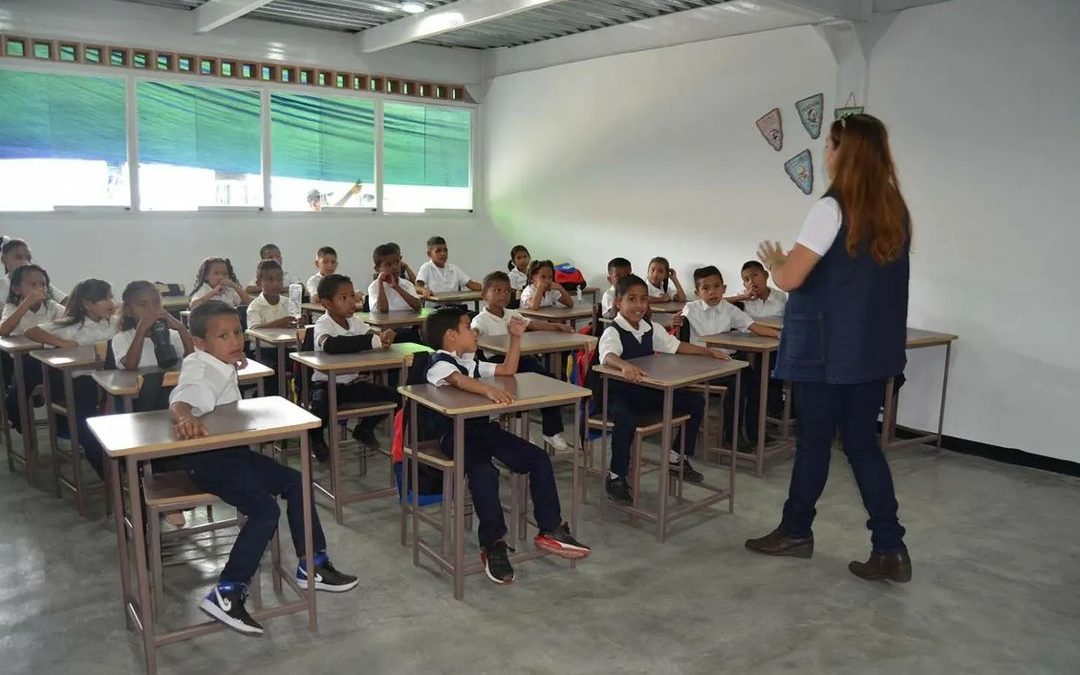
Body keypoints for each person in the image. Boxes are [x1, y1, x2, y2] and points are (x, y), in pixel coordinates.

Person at [744, 114, 912, 583]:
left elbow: (791, 278)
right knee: (862, 446)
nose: (826, 154)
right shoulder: (894, 210)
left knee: (814, 442)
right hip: (872, 354)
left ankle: (796, 531)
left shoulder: (831, 209)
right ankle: (890, 547)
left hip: (825, 352)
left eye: (830, 145)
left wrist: (775, 259)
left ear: (844, 151)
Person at [170, 301, 358, 636]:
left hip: (232, 454)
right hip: (207, 461)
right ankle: (227, 591)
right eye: (223, 336)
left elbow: (221, 379)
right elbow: (184, 397)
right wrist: (185, 416)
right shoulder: (199, 368)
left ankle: (312, 564)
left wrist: (233, 362)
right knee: (265, 510)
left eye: (238, 332)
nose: (235, 340)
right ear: (199, 343)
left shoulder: (217, 360)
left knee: (296, 481)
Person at [424, 306, 590, 584]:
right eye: (468, 327)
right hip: (455, 435)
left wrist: (515, 338)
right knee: (485, 474)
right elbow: (456, 380)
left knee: (538, 459)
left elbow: (507, 369)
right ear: (451, 336)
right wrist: (487, 388)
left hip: (484, 429)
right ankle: (494, 545)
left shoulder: (469, 361)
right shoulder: (438, 362)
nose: (473, 332)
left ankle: (550, 528)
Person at [598, 274, 728, 502]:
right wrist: (624, 365)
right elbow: (608, 356)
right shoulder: (613, 331)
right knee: (626, 419)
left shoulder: (651, 327)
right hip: (618, 394)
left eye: (643, 300)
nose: (639, 306)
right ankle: (616, 475)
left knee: (695, 403)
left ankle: (676, 458)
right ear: (618, 302)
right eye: (632, 299)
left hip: (647, 391)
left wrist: (709, 352)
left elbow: (676, 347)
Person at [674, 265, 779, 446]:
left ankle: (755, 432)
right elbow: (675, 326)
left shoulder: (730, 310)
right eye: (706, 288)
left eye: (716, 287)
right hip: (699, 365)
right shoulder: (690, 309)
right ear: (697, 292)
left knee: (756, 383)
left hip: (726, 363)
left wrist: (780, 336)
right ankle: (732, 437)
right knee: (737, 386)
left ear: (724, 288)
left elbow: (753, 326)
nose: (712, 292)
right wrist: (674, 321)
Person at [471, 270, 574, 452]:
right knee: (518, 389)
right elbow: (474, 332)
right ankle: (520, 434)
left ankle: (552, 431)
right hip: (498, 365)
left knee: (549, 380)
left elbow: (532, 324)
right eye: (497, 290)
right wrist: (472, 336)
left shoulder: (511, 313)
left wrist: (557, 326)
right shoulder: (481, 319)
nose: (503, 295)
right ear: (483, 294)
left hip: (519, 359)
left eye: (507, 291)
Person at [25, 279, 118, 479]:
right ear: (86, 303)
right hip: (84, 383)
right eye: (103, 298)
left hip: (112, 382)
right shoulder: (71, 326)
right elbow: (30, 331)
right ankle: (110, 475)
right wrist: (63, 343)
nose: (110, 302)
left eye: (110, 296)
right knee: (87, 427)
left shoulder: (116, 323)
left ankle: (128, 472)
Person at [307, 274, 399, 461]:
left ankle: (364, 428)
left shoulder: (355, 322)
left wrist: (385, 336)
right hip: (325, 385)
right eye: (343, 298)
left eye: (352, 296)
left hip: (352, 384)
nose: (351, 302)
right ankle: (316, 438)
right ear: (326, 304)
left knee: (397, 397)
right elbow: (330, 345)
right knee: (320, 410)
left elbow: (373, 336)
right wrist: (370, 341)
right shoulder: (323, 324)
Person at [1, 264, 63, 434]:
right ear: (16, 289)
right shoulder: (12, 307)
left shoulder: (52, 307)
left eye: (42, 284)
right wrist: (27, 303)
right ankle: (18, 416)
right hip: (25, 360)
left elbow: (69, 322)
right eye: (32, 285)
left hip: (52, 359)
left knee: (64, 383)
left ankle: (61, 424)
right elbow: (3, 330)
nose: (39, 289)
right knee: (21, 384)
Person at [414, 236, 481, 302]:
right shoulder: (426, 268)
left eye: (445, 250)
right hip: (433, 309)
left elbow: (471, 284)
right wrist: (424, 290)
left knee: (472, 313)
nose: (443, 253)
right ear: (429, 254)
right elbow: (417, 287)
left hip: (455, 308)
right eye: (438, 251)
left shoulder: (454, 269)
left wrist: (488, 288)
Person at [0, 238, 67, 304]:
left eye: (28, 259)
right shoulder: (2, 287)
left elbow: (67, 302)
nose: (25, 263)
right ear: (4, 259)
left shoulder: (41, 283)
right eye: (18, 257)